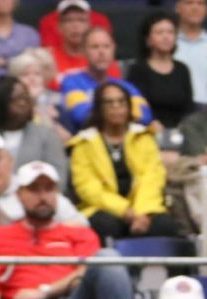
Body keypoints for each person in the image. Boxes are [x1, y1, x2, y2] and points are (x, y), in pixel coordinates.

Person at [0, 161, 137, 299]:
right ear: (19, 195)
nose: (43, 197)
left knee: (108, 257)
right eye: (34, 190)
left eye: (49, 189)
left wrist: (44, 292)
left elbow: (86, 270)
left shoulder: (79, 233)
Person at [70, 81, 176, 242]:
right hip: (103, 209)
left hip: (144, 207)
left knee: (164, 225)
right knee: (107, 226)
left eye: (121, 102)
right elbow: (88, 189)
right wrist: (126, 212)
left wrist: (141, 214)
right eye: (109, 103)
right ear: (99, 108)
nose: (116, 107)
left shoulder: (144, 138)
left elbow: (153, 179)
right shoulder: (84, 143)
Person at [58, 29, 145, 134]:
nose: (101, 52)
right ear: (84, 51)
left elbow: (144, 115)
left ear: (113, 49)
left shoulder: (125, 86)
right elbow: (82, 116)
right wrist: (122, 114)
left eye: (106, 46)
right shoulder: (71, 82)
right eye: (95, 47)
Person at [128, 13, 197, 129]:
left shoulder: (182, 69)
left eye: (170, 32)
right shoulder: (138, 70)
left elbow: (189, 108)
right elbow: (134, 106)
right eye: (159, 33)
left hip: (180, 132)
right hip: (147, 130)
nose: (166, 37)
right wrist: (151, 123)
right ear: (148, 40)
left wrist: (183, 127)